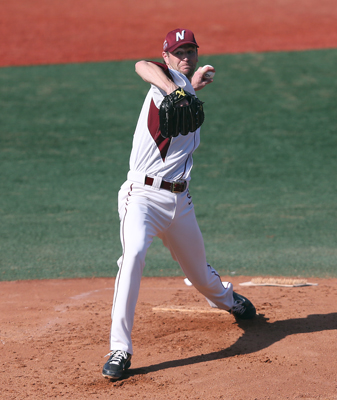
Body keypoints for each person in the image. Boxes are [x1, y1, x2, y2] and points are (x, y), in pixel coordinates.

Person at [102, 28, 256, 380]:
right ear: (167, 56)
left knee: (200, 274)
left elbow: (182, 92)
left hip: (180, 202)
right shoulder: (163, 80)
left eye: (191, 51)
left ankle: (228, 300)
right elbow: (142, 66)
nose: (186, 57)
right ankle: (119, 349)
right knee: (133, 256)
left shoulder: (184, 87)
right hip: (142, 198)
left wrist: (192, 86)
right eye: (179, 52)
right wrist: (175, 89)